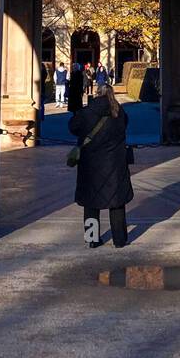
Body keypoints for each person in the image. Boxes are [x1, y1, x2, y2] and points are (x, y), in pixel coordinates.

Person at [69, 83, 133, 248]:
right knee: (117, 203)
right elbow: (124, 127)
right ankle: (119, 240)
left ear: (97, 93)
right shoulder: (119, 112)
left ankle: (92, 239)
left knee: (91, 204)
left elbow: (73, 127)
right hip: (115, 164)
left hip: (91, 165)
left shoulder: (87, 112)